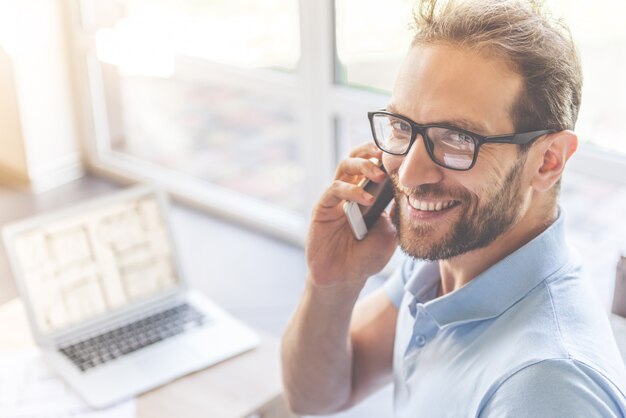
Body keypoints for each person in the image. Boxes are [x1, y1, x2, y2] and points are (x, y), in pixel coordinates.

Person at [280, 0, 626, 416]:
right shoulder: (450, 257)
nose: (408, 173)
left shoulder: (547, 388)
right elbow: (318, 397)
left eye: (458, 138)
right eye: (402, 126)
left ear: (548, 160)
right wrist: (330, 283)